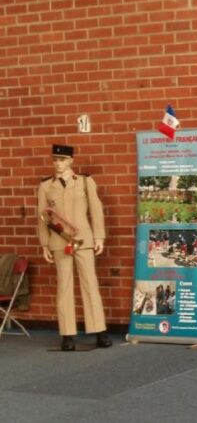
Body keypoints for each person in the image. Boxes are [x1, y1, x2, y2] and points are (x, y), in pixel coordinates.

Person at [37, 144, 112, 351]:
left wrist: (99, 237)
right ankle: (68, 334)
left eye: (62, 160)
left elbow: (96, 211)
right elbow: (42, 217)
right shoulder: (46, 186)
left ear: (71, 161)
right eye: (55, 160)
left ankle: (99, 330)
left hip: (84, 240)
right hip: (59, 241)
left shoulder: (86, 182)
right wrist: (44, 243)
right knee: (64, 287)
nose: (58, 164)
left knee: (90, 285)